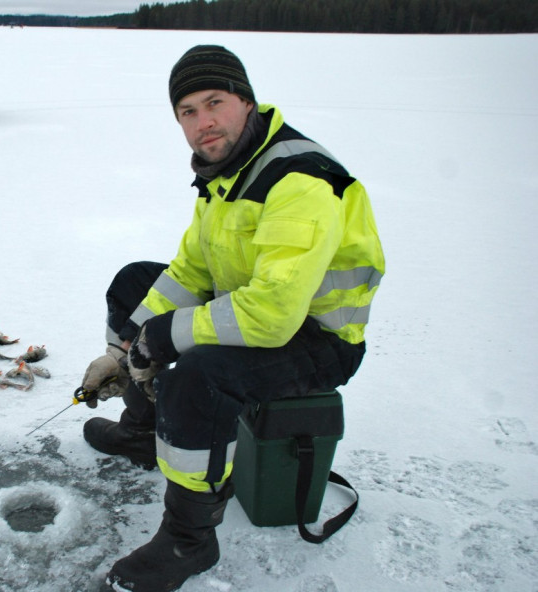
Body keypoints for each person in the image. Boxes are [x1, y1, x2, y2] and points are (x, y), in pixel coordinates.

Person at [79, 45, 385, 591]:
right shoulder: (225, 172)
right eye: (187, 112)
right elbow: (190, 270)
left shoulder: (298, 177)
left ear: (245, 101)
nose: (203, 123)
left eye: (214, 102)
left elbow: (272, 314)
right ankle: (143, 427)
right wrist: (124, 352)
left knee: (199, 378)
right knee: (135, 282)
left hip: (319, 338)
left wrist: (166, 338)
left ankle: (189, 541)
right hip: (257, 304)